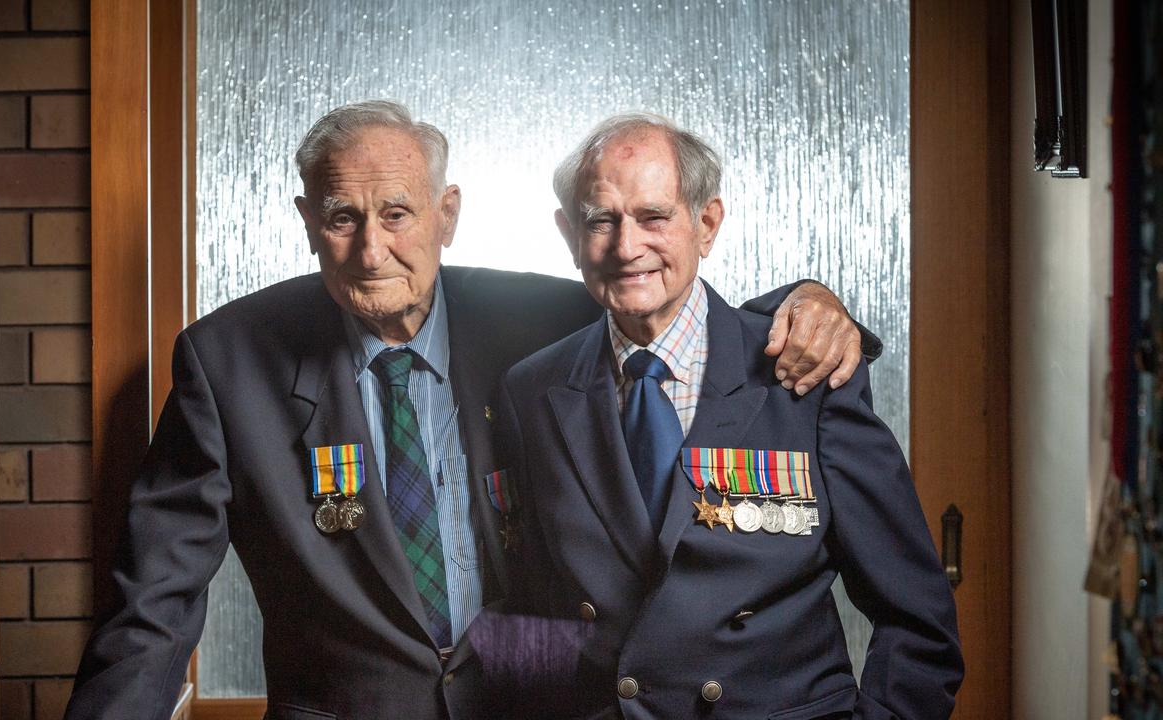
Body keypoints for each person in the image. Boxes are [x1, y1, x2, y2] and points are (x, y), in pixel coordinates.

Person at [63, 101, 877, 720]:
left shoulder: (545, 321)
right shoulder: (229, 361)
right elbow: (154, 603)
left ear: (445, 215)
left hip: (535, 702)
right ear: (310, 222)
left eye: (397, 214)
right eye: (343, 217)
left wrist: (808, 303)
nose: (371, 249)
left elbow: (665, 303)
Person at [488, 113, 963, 719]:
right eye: (599, 220)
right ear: (568, 233)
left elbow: (917, 621)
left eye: (653, 216)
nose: (626, 246)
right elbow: (531, 610)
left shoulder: (804, 373)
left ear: (706, 223)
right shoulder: (532, 390)